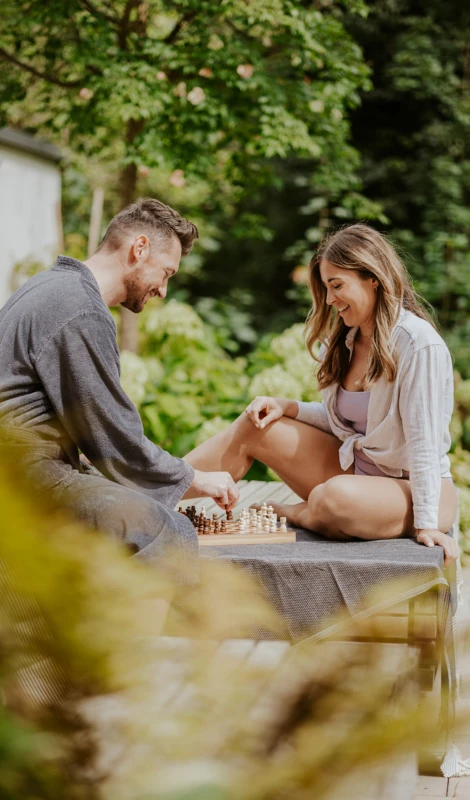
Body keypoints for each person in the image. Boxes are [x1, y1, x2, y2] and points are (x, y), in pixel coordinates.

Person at [183, 224, 459, 566]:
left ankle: (300, 513)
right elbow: (347, 421)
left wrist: (428, 524)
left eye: (337, 285)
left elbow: (425, 442)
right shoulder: (344, 341)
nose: (330, 300)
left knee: (336, 497)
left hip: (410, 492)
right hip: (354, 470)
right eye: (326, 288)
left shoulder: (418, 343)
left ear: (373, 277)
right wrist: (287, 407)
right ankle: (156, 489)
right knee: (259, 423)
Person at [0, 197, 238, 585]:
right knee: (162, 529)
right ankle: (137, 646)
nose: (163, 290)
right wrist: (196, 478)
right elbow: (114, 440)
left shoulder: (51, 284)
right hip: (23, 477)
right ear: (139, 248)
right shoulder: (81, 308)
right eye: (166, 273)